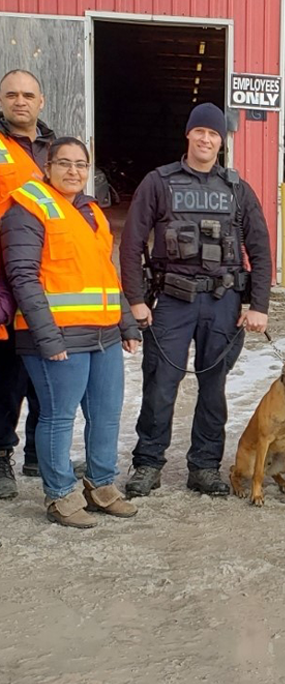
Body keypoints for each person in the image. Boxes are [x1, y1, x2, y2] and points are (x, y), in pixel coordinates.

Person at [119, 103, 272, 497]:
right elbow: (132, 242)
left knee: (213, 388)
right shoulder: (159, 182)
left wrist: (258, 305)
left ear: (222, 141)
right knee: (159, 386)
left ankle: (204, 467)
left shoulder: (237, 188)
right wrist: (135, 299)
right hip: (172, 300)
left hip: (222, 301)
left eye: (214, 134)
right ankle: (148, 464)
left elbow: (259, 246)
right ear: (188, 135)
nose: (206, 139)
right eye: (200, 131)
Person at [0, 137, 141, 527]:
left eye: (81, 164)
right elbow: (22, 277)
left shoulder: (91, 211)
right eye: (64, 163)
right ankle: (60, 495)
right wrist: (47, 337)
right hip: (58, 337)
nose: (73, 171)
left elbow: (106, 275)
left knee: (107, 414)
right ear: (47, 166)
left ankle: (101, 486)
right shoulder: (26, 208)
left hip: (104, 335)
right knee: (58, 417)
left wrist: (126, 322)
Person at [0, 69, 52, 498]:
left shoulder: (57, 151)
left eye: (28, 95)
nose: (20, 102)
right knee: (6, 376)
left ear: (41, 101)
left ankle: (38, 452)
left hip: (50, 277)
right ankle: (2, 457)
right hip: (2, 278)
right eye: (12, 95)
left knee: (46, 369)